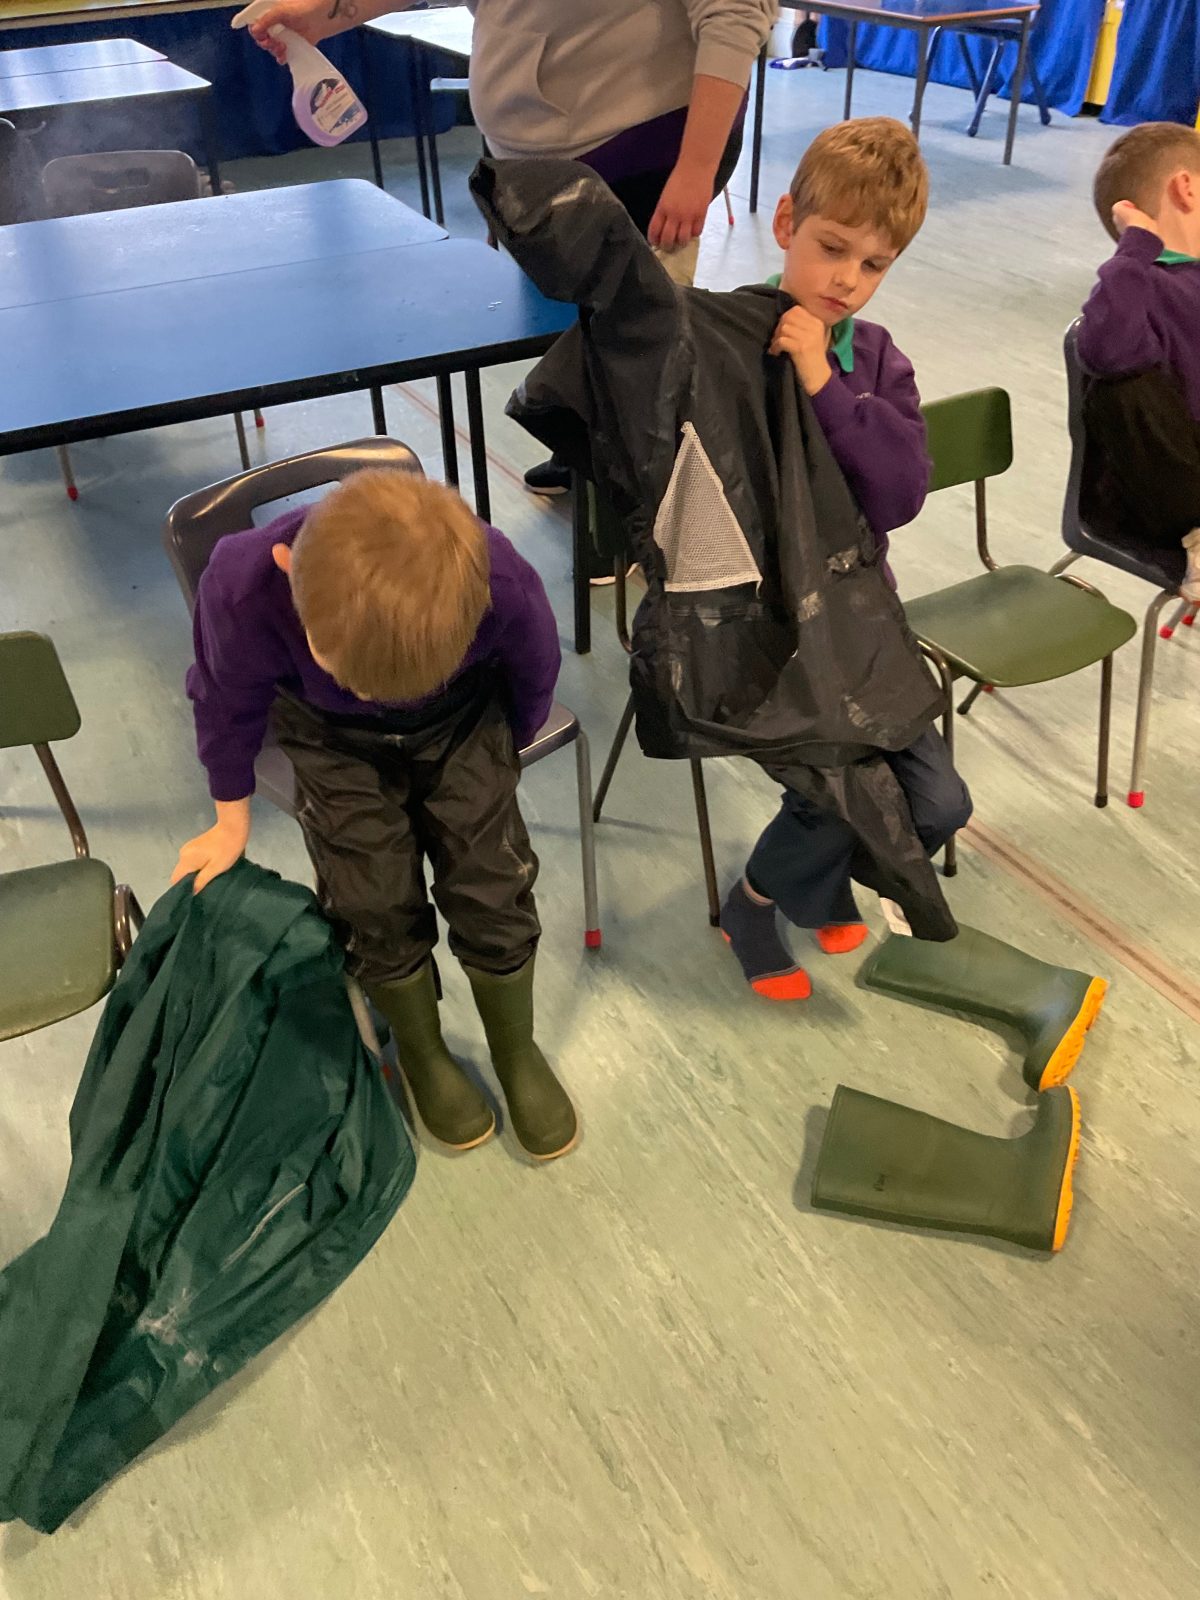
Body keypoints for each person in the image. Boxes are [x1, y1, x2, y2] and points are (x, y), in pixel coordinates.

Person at [171, 469, 578, 1161]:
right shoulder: (241, 584)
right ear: (287, 568)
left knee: (493, 883)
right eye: (349, 673)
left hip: (460, 717)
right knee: (370, 898)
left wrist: (495, 758)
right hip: (329, 737)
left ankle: (516, 1048)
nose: (369, 694)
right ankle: (422, 1054)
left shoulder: (496, 575)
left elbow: (534, 668)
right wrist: (229, 819)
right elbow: (222, 700)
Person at [244, 0, 775, 493]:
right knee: (576, 328)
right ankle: (591, 455)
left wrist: (695, 170)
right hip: (544, 156)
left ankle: (646, 502)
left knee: (641, 346)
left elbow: (734, 15)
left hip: (645, 149)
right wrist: (328, 13)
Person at [718, 117, 972, 1001]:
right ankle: (753, 904)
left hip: (861, 626)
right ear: (787, 222)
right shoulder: (725, 342)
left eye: (874, 266)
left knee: (938, 804)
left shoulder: (877, 360)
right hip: (765, 636)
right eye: (832, 249)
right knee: (831, 791)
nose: (847, 281)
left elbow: (898, 495)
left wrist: (826, 383)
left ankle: (806, 883)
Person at [1076, 122, 1200, 604]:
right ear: (1186, 187)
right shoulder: (1144, 285)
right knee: (1119, 385)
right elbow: (1104, 349)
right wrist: (1136, 247)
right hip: (1169, 496)